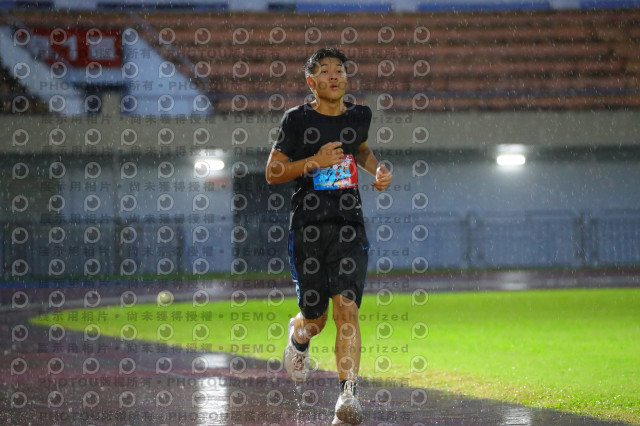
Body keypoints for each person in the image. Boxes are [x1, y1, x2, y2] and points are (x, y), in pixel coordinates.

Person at [265, 48, 392, 425]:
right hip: (309, 229)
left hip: (349, 226)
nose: (334, 76)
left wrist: (377, 169)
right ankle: (299, 333)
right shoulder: (297, 120)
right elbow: (273, 172)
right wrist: (315, 162)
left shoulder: (359, 116)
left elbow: (361, 150)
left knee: (347, 309)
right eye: (324, 71)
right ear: (311, 81)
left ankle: (348, 395)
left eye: (339, 70)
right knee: (317, 319)